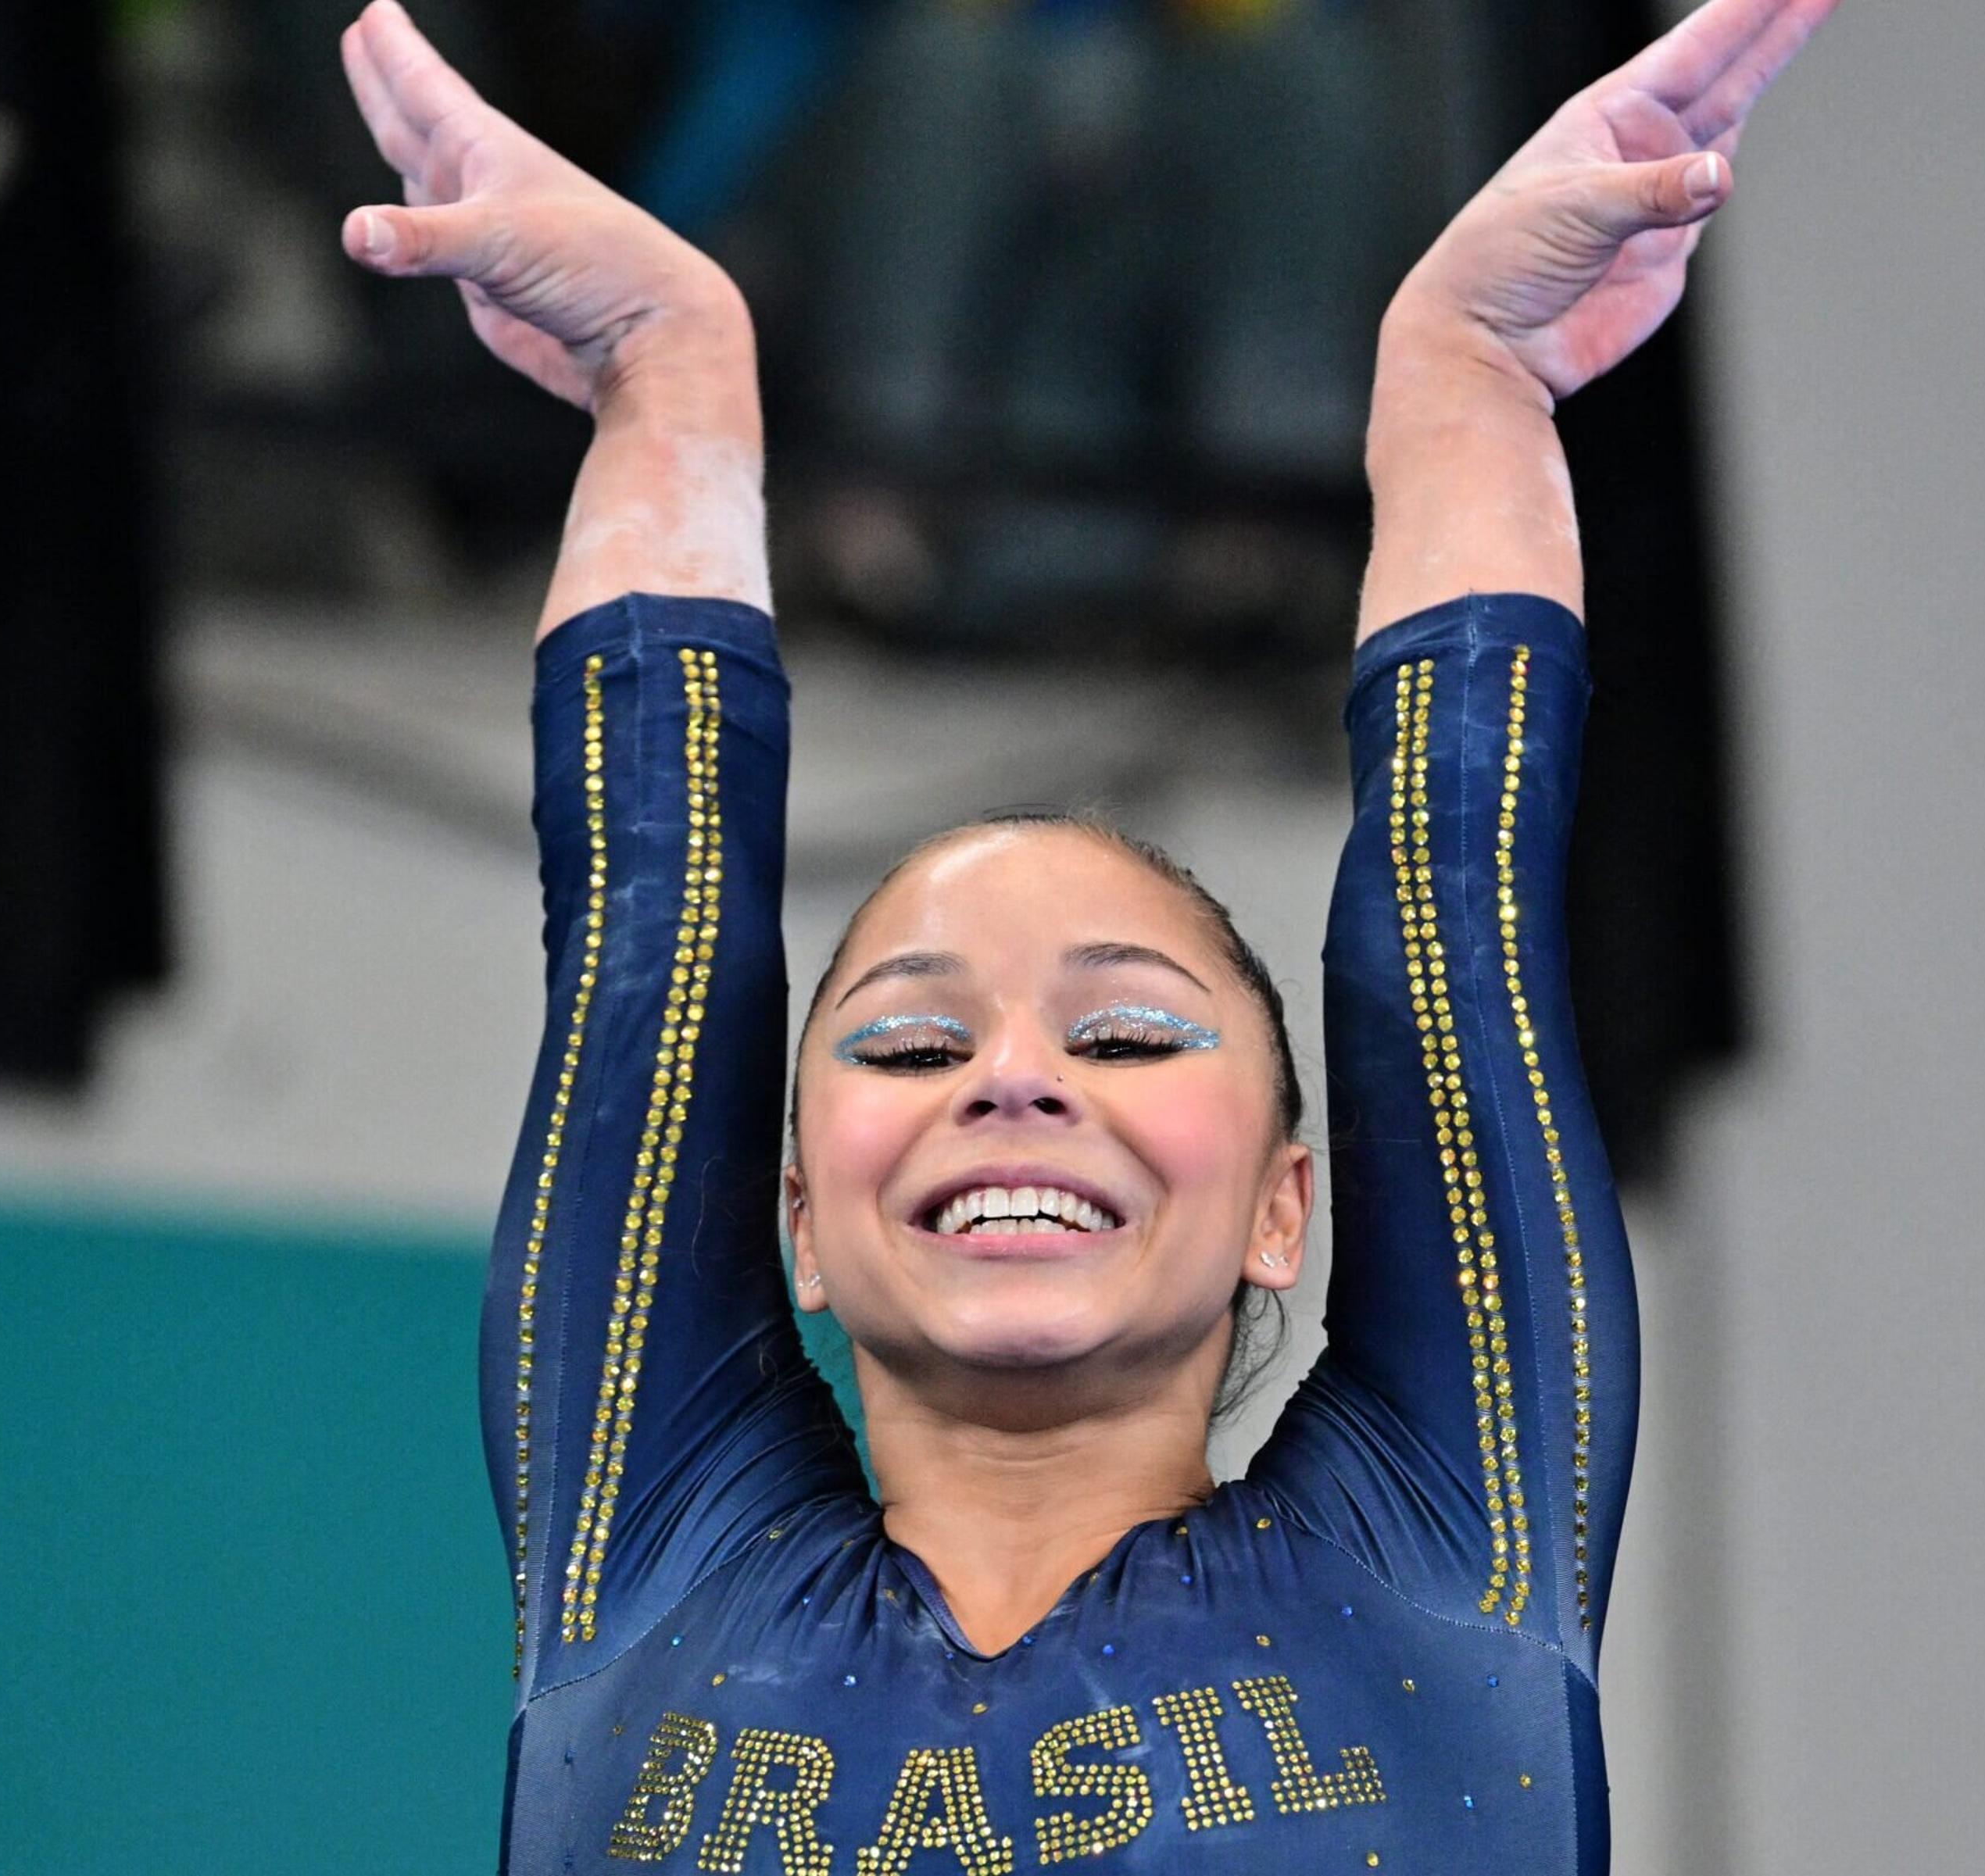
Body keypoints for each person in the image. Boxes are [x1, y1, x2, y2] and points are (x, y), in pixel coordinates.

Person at [335, 0, 1829, 1866]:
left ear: (1289, 1203)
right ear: (791, 1209)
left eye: (1126, 1035)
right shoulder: (655, 1572)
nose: (1016, 1082)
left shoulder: (1445, 1547)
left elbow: (1453, 917)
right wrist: (672, 377)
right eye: (907, 1042)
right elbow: (656, 929)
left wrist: (1469, 383)